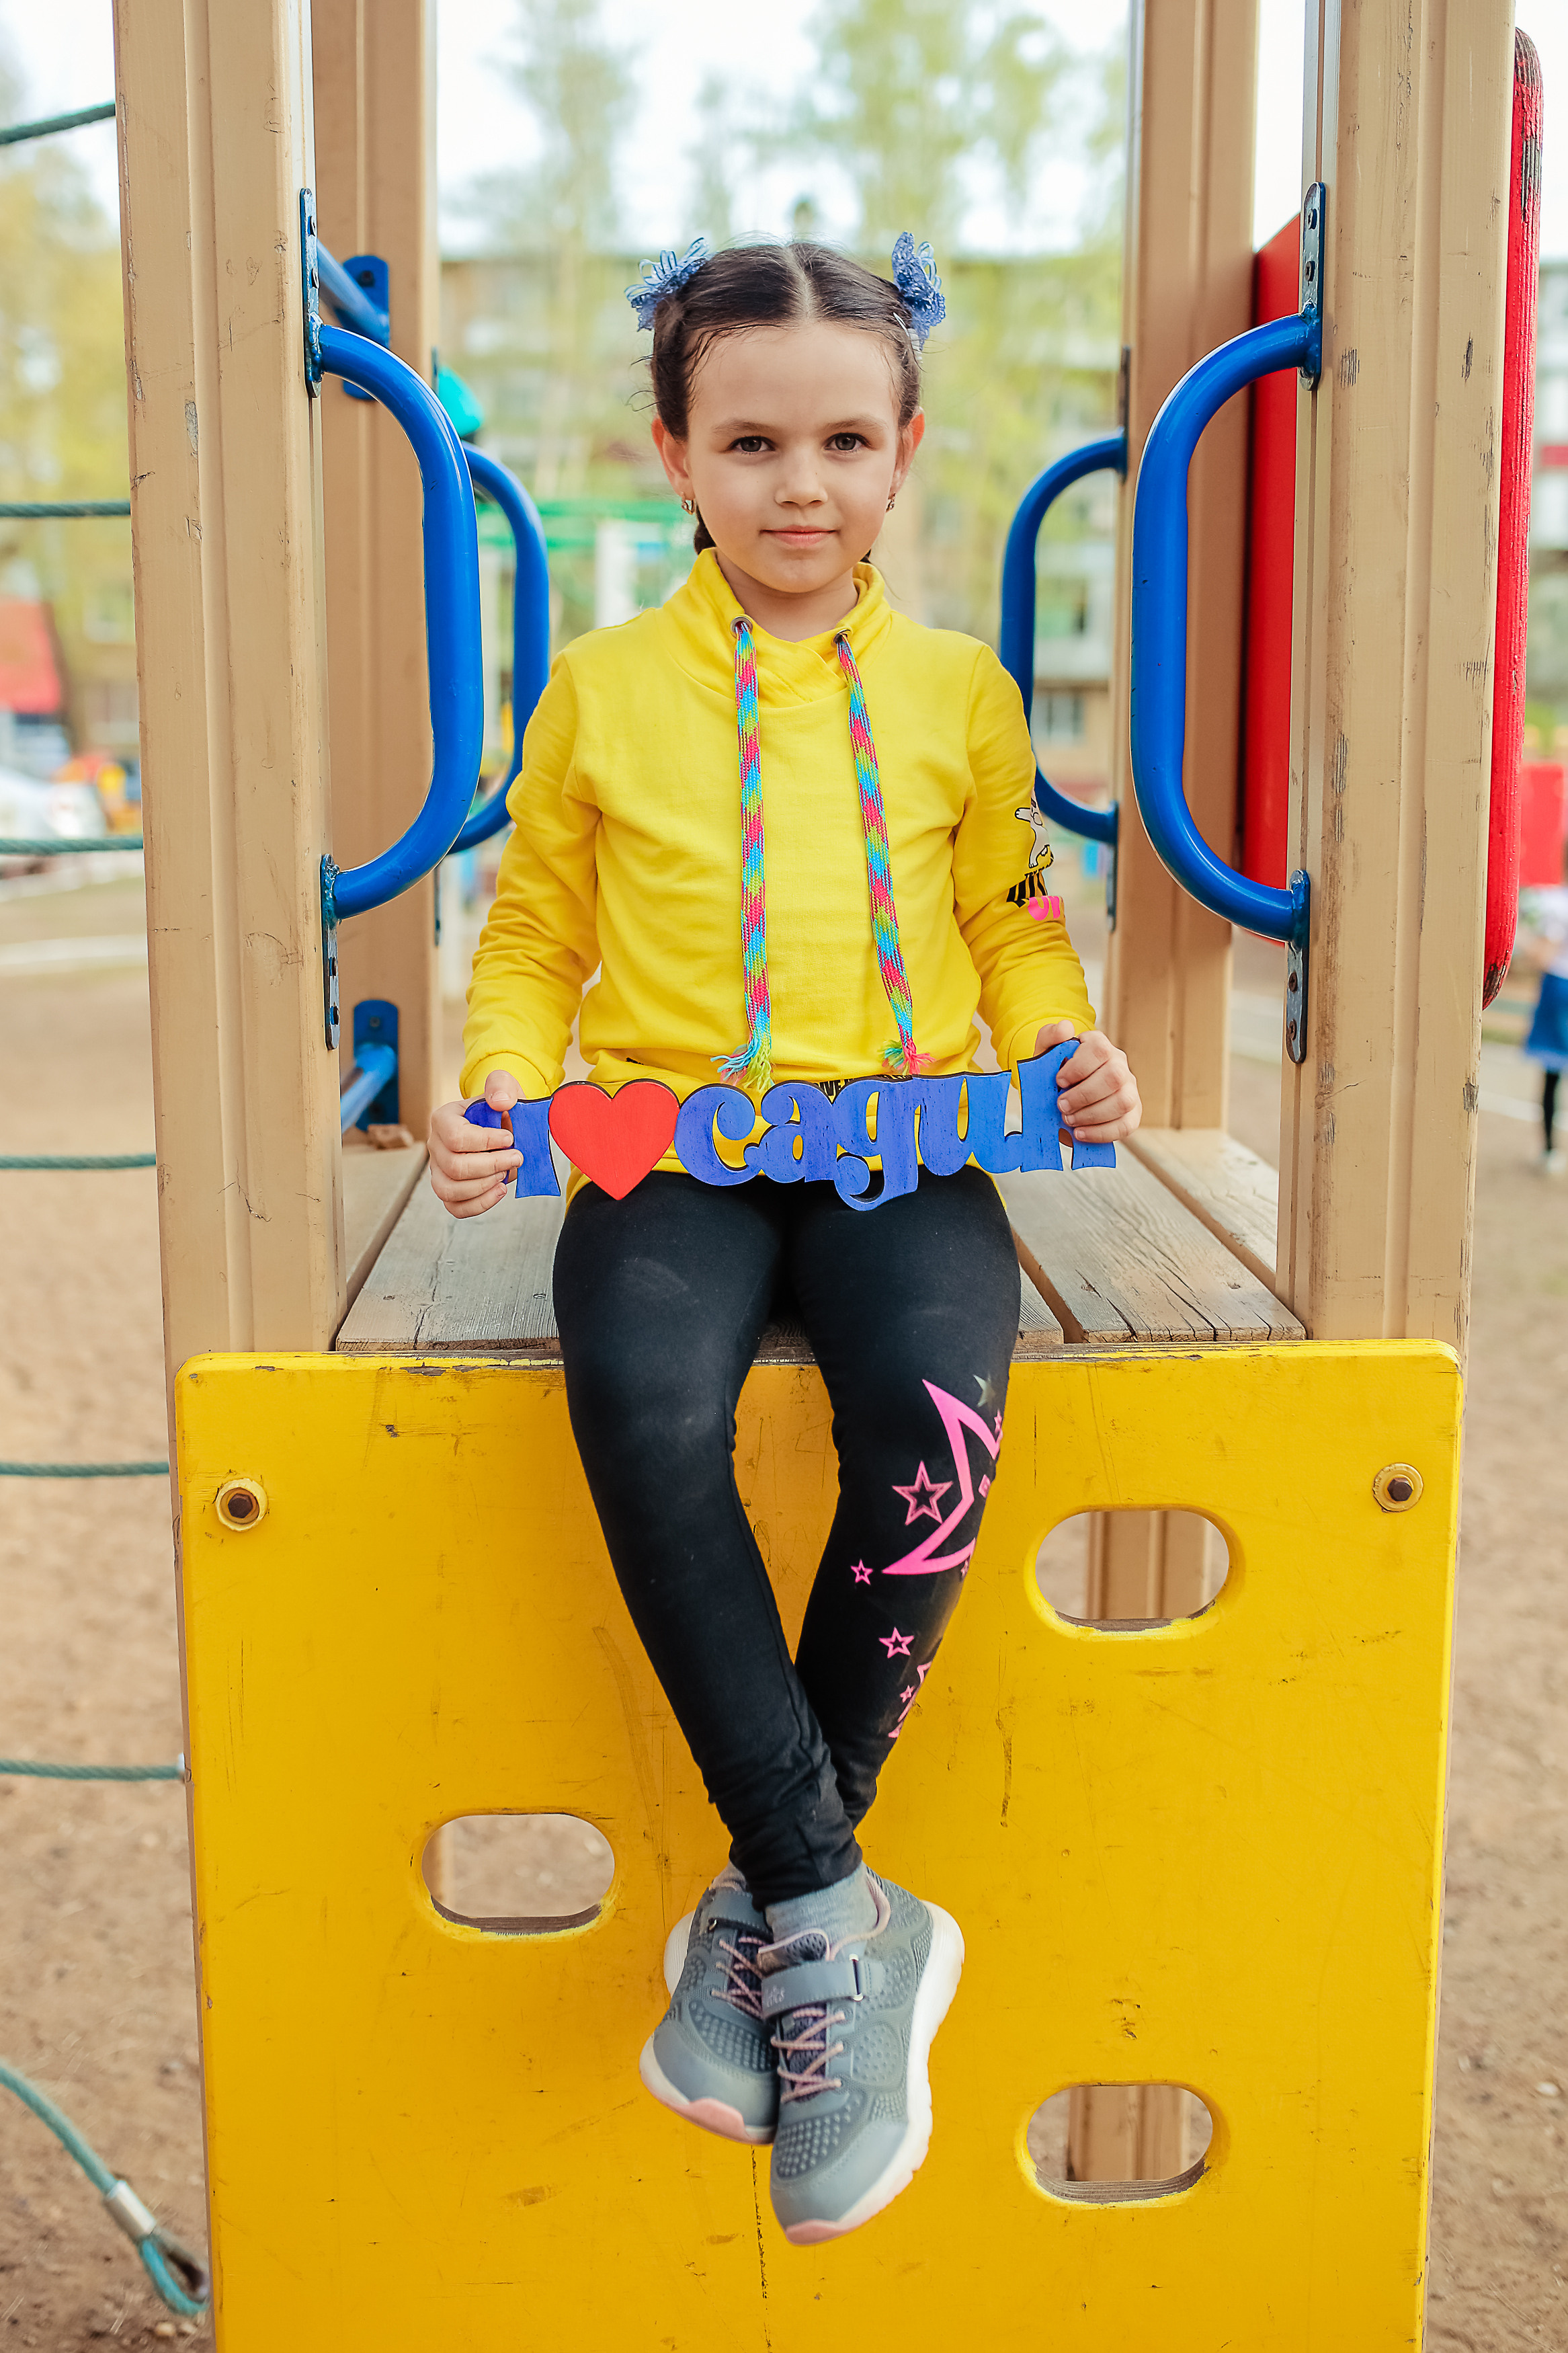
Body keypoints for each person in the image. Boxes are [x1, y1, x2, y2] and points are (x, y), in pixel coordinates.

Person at [425, 236, 1142, 2244]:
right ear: (675, 451)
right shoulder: (599, 694)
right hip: (672, 1159)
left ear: (906, 451)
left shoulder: (956, 695)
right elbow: (538, 934)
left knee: (933, 1426)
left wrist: (1061, 1046)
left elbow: (1009, 915)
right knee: (646, 1413)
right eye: (751, 441)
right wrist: (492, 1083)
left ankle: (770, 1908)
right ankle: (840, 1908)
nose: (798, 483)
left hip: (911, 1148)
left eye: (842, 437)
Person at [1520, 877, 1568, 1172]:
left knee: (1552, 1074)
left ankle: (1550, 1151)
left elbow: (1542, 956)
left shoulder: (1555, 903)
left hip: (1559, 988)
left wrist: (1522, 936)